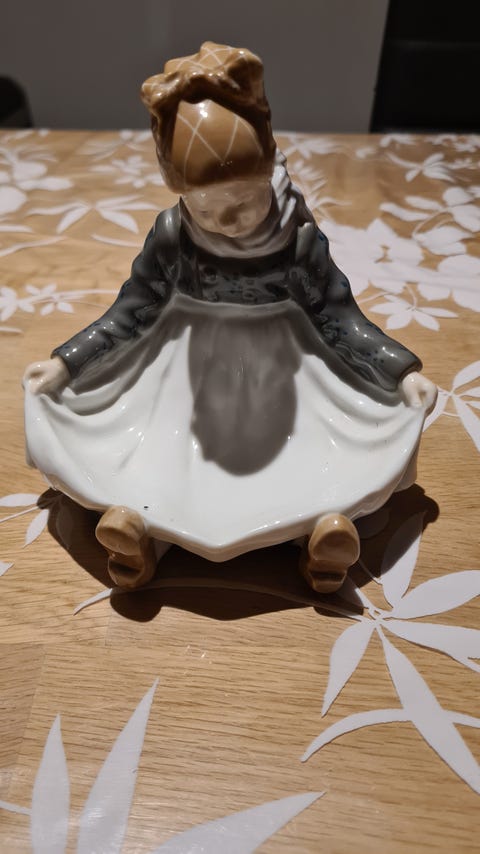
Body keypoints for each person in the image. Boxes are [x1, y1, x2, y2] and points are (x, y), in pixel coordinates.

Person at [23, 42, 436, 593]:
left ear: (269, 174)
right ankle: (139, 528)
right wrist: (68, 364)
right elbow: (131, 312)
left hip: (282, 373)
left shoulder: (298, 240)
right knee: (166, 453)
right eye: (206, 208)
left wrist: (399, 371)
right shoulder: (173, 236)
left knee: (306, 455)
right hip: (190, 373)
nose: (227, 221)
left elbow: (338, 317)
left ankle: (319, 535)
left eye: (244, 201)